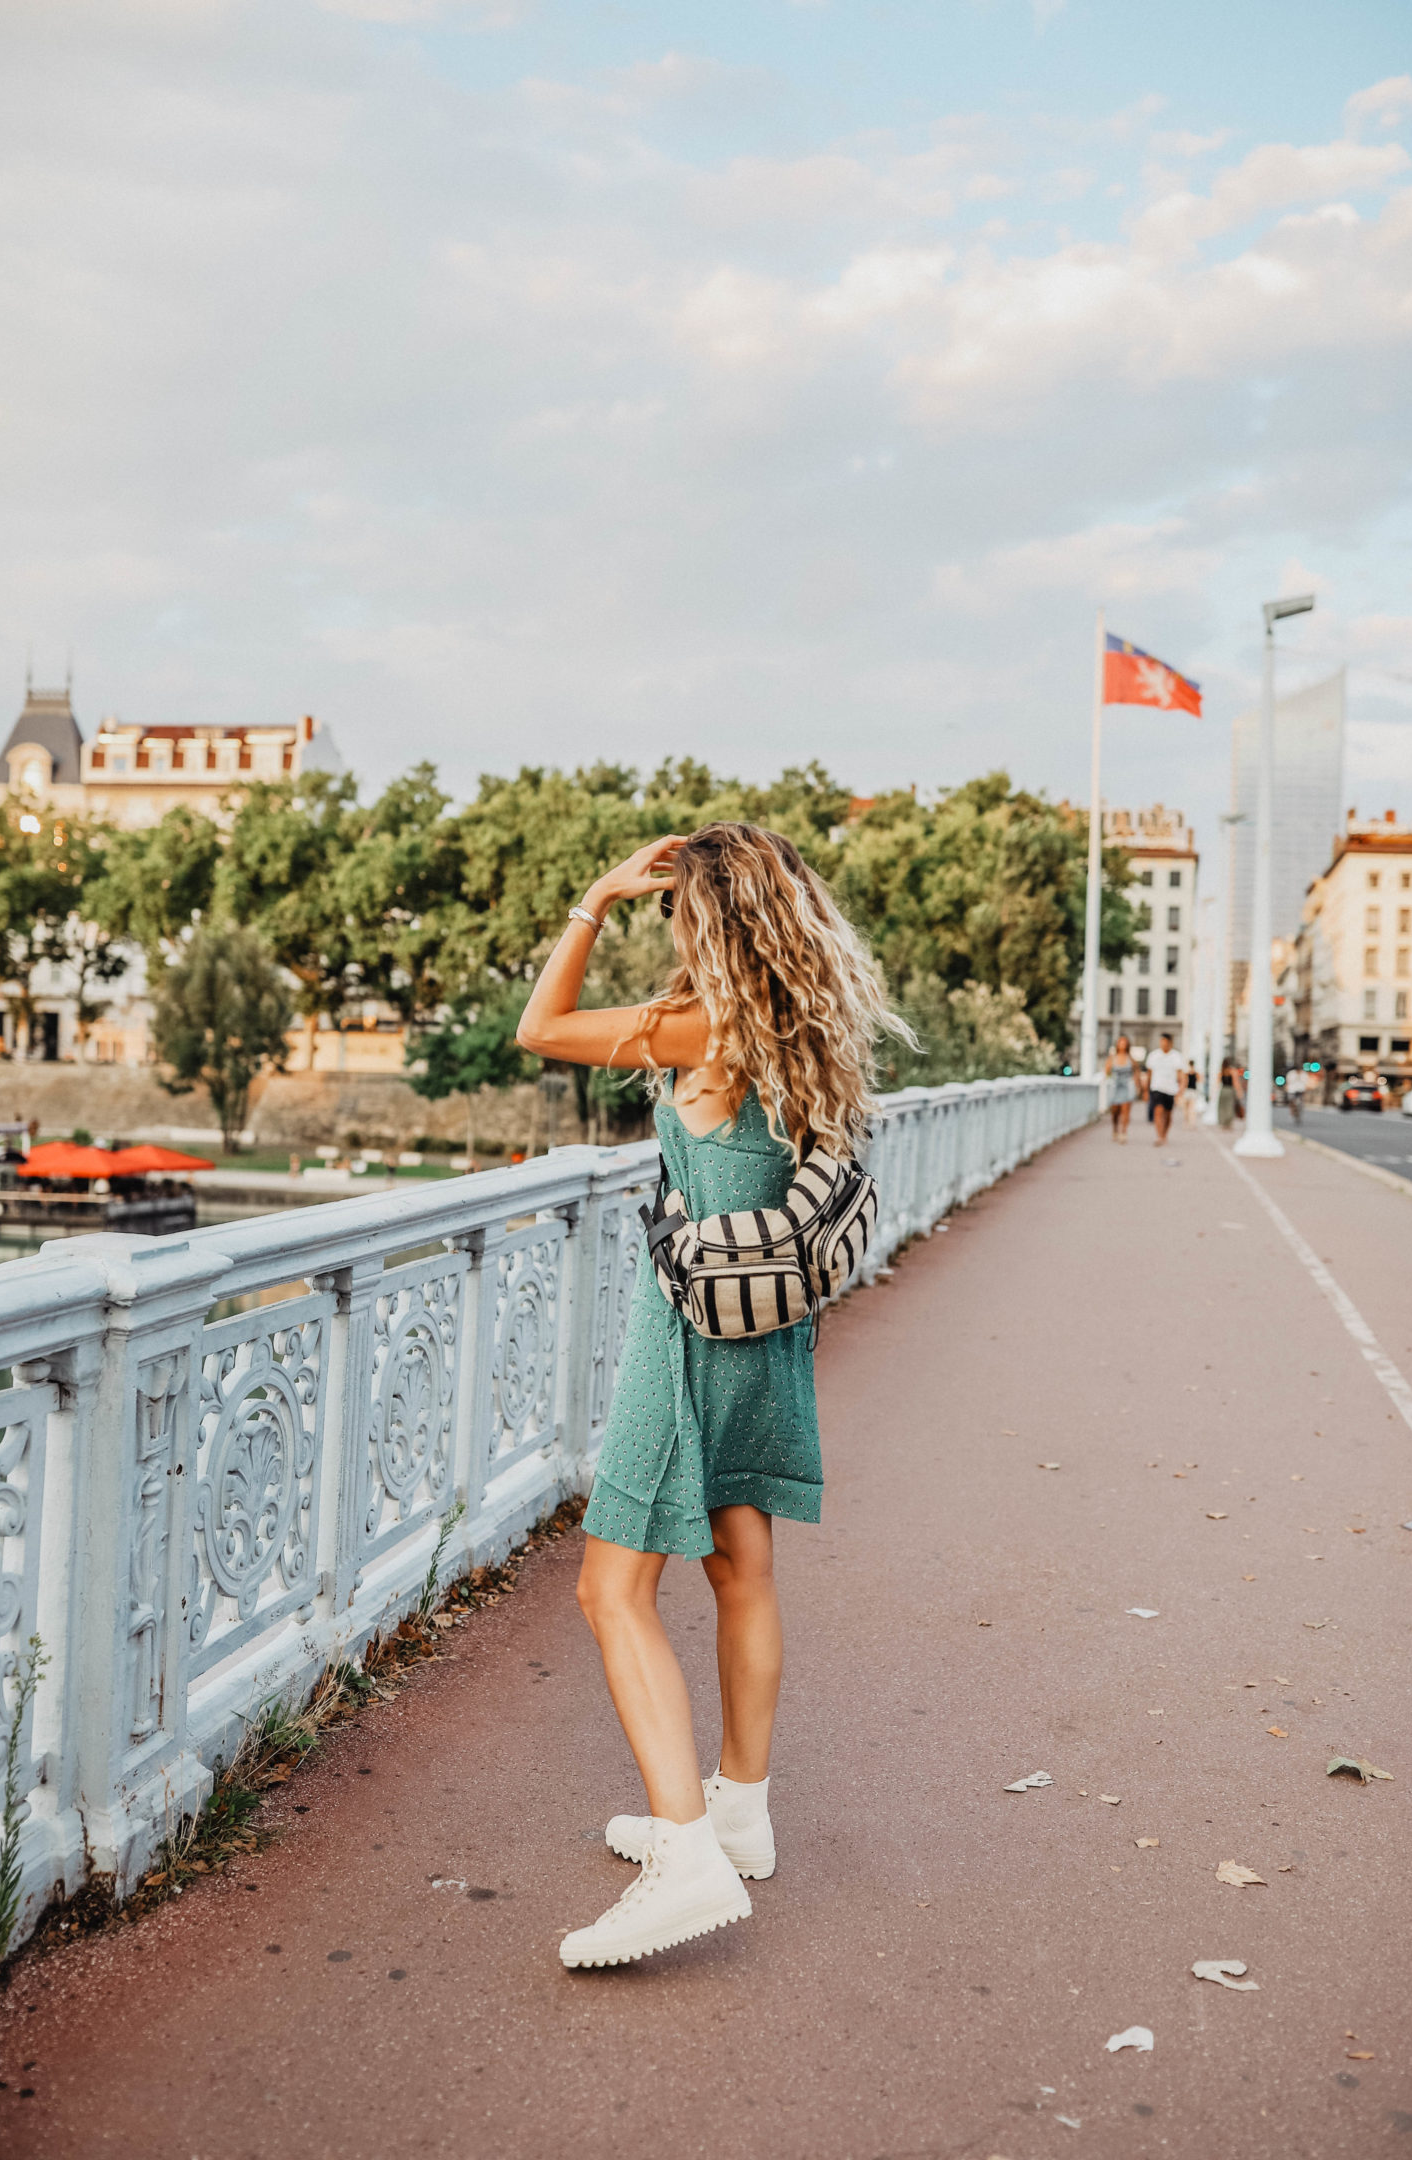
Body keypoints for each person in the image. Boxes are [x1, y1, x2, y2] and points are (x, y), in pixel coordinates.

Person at [516, 823, 910, 1971]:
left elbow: (540, 1027)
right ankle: (738, 1812)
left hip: (688, 1339)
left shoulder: (702, 1032)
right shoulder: (810, 1037)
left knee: (610, 1590)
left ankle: (684, 1856)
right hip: (772, 1334)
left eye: (678, 907)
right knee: (743, 1568)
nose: (669, 922)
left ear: (710, 916)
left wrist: (593, 897)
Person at [1144, 1031, 1185, 1146]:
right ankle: (1159, 1136)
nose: (1163, 1044)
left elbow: (1180, 1074)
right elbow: (1149, 1074)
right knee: (1158, 1111)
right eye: (1161, 1042)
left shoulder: (1176, 1056)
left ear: (1170, 1043)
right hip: (1157, 1087)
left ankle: (1164, 1134)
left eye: (1165, 1042)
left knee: (1167, 1115)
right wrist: (1146, 1091)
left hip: (1171, 1089)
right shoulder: (1153, 1056)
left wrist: (1181, 1089)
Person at [1104, 1033, 1137, 1143]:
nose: (1122, 1045)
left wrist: (1138, 1085)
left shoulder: (1131, 1059)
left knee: (1125, 1110)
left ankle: (1123, 1132)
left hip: (1127, 1086)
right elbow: (1107, 1072)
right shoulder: (1112, 1058)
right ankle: (1115, 1129)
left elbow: (1136, 1072)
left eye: (1124, 1043)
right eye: (1120, 1043)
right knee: (1115, 1111)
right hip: (1115, 1086)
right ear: (1117, 1045)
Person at [1217, 1058, 1243, 1129]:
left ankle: (1223, 1123)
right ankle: (1228, 1124)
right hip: (1230, 1091)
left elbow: (1217, 1083)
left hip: (1223, 1091)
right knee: (1230, 1107)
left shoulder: (1221, 1072)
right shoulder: (1233, 1071)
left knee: (1222, 1108)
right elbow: (1236, 1083)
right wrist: (1239, 1092)